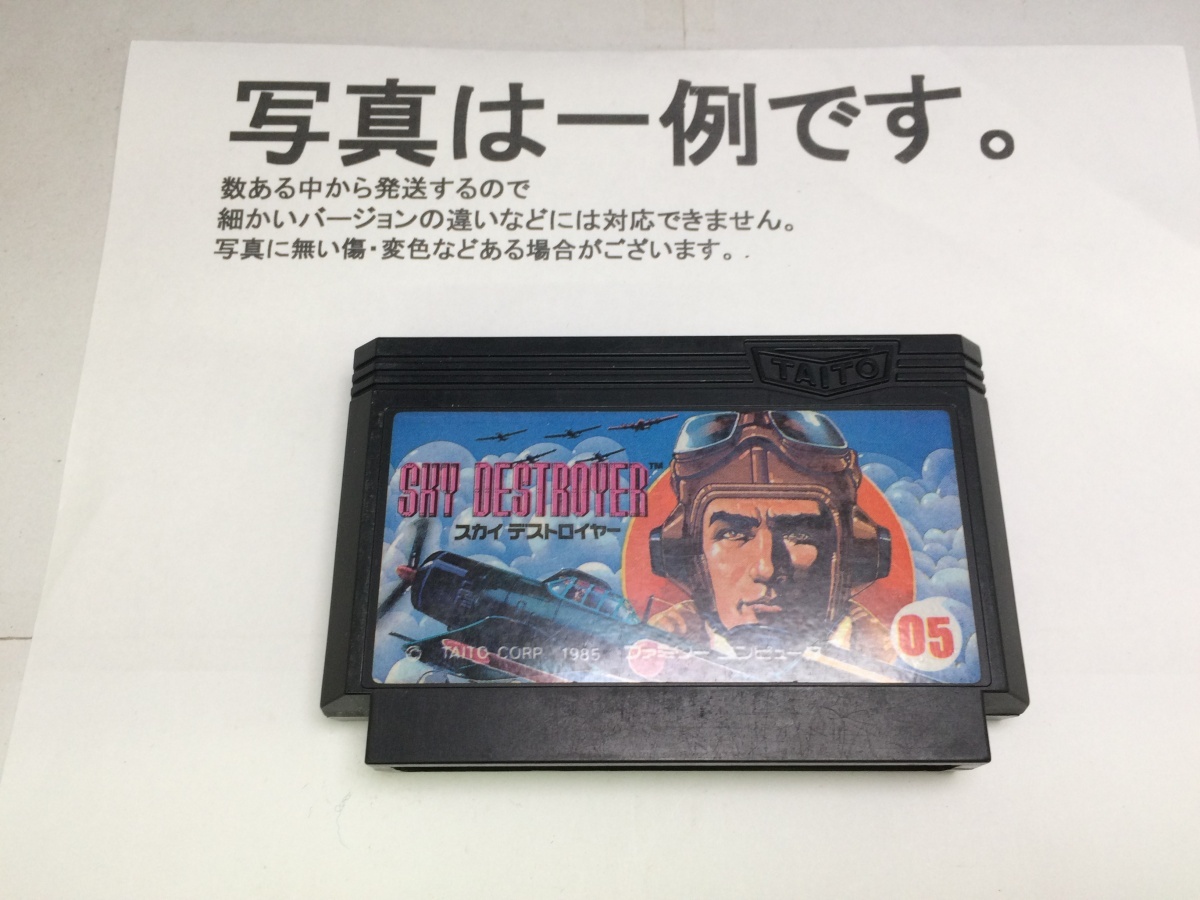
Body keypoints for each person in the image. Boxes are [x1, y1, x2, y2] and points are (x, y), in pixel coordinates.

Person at [647, 411, 895, 663]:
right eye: (733, 533)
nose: (766, 569)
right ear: (681, 554)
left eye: (799, 534)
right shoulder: (651, 651)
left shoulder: (892, 658)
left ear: (856, 552)